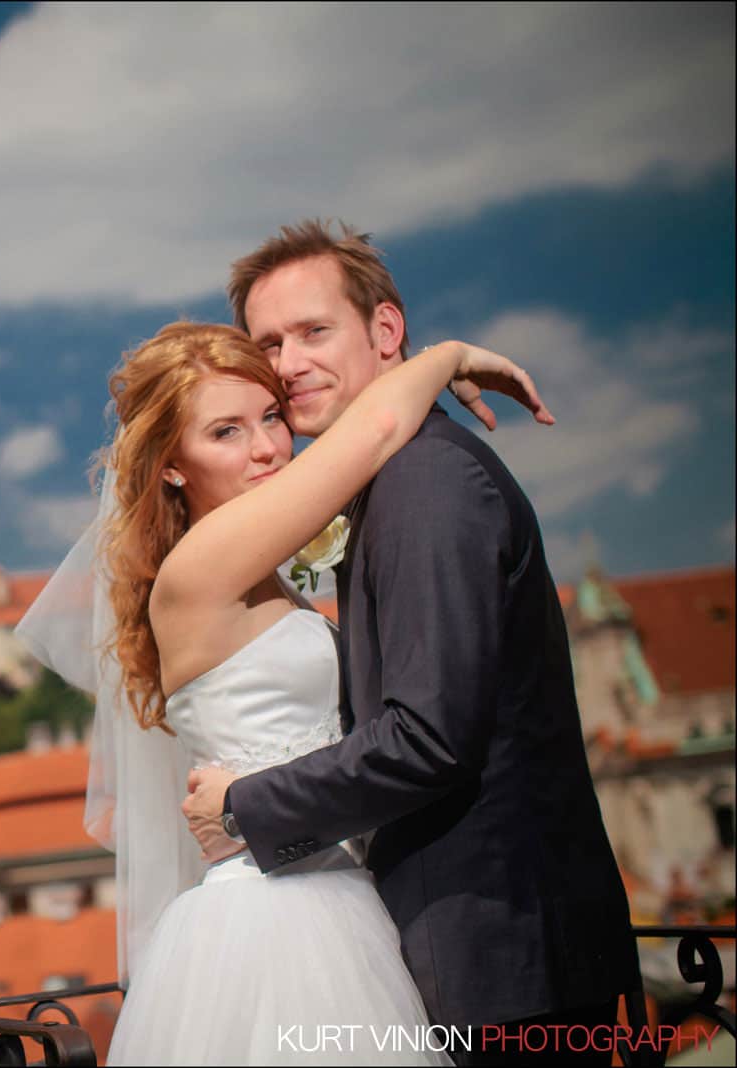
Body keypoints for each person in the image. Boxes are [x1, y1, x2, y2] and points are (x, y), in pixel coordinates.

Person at [17, 318, 552, 1064]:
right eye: (226, 432)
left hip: (329, 887)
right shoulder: (203, 566)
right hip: (279, 922)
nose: (268, 446)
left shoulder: (254, 569)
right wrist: (452, 355)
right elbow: (374, 431)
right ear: (172, 465)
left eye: (270, 416)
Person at [183, 221, 640, 1066]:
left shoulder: (427, 484)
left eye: (313, 332)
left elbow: (428, 739)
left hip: (506, 966)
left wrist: (246, 806)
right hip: (486, 958)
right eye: (269, 343)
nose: (286, 365)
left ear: (386, 333)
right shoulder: (394, 479)